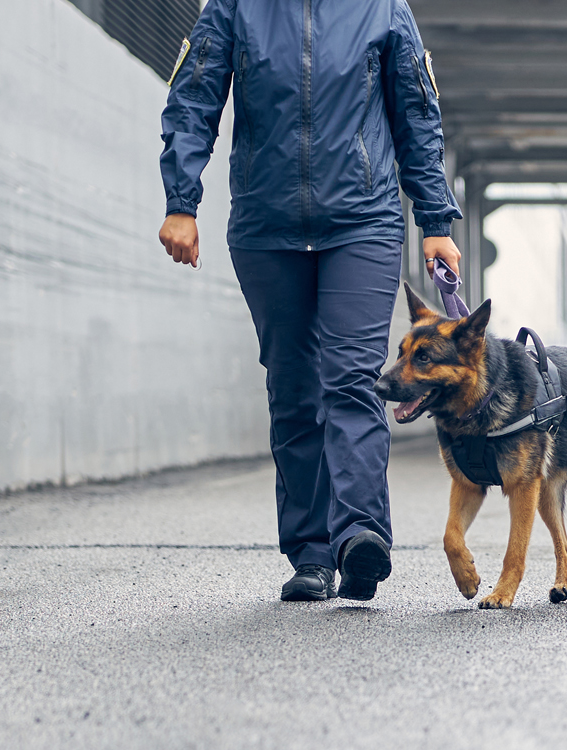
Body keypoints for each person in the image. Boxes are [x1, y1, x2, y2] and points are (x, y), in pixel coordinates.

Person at [157, 0, 461, 603]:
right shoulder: (234, 9)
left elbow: (416, 115)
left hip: (362, 224)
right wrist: (180, 200)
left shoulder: (382, 9)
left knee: (351, 377)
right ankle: (312, 553)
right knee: (294, 387)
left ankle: (360, 536)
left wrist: (435, 218)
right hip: (266, 230)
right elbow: (193, 100)